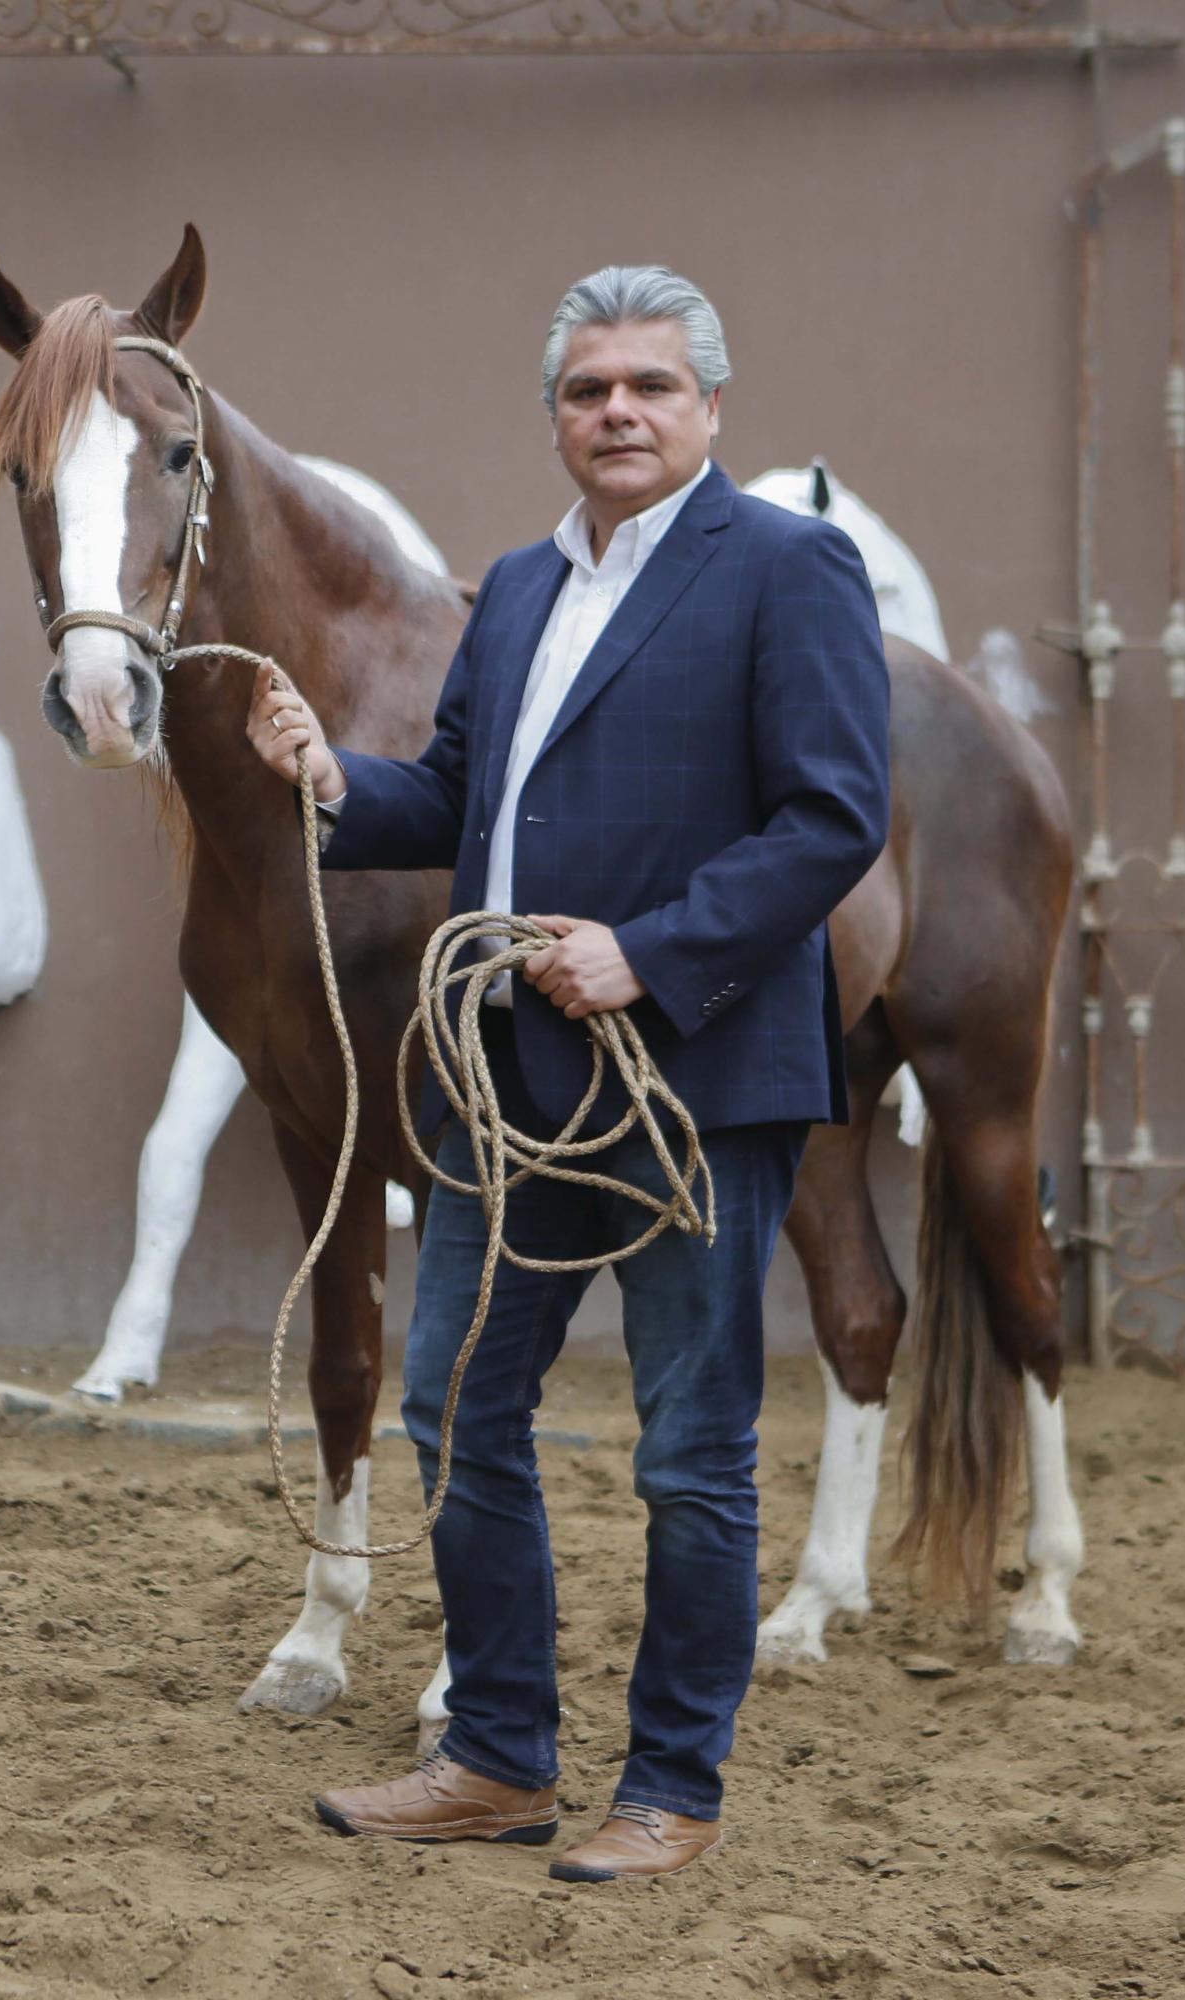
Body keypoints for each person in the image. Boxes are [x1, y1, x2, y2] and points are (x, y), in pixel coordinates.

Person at [247, 265, 889, 1884]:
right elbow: (464, 796)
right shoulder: (517, 588)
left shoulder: (793, 568)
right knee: (456, 1414)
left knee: (690, 1448)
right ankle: (499, 1761)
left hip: (695, 1078)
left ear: (710, 409)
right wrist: (338, 781)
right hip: (504, 1082)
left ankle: (672, 1787)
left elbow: (833, 819)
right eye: (590, 388)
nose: (618, 410)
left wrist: (651, 954)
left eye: (651, 386)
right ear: (555, 417)